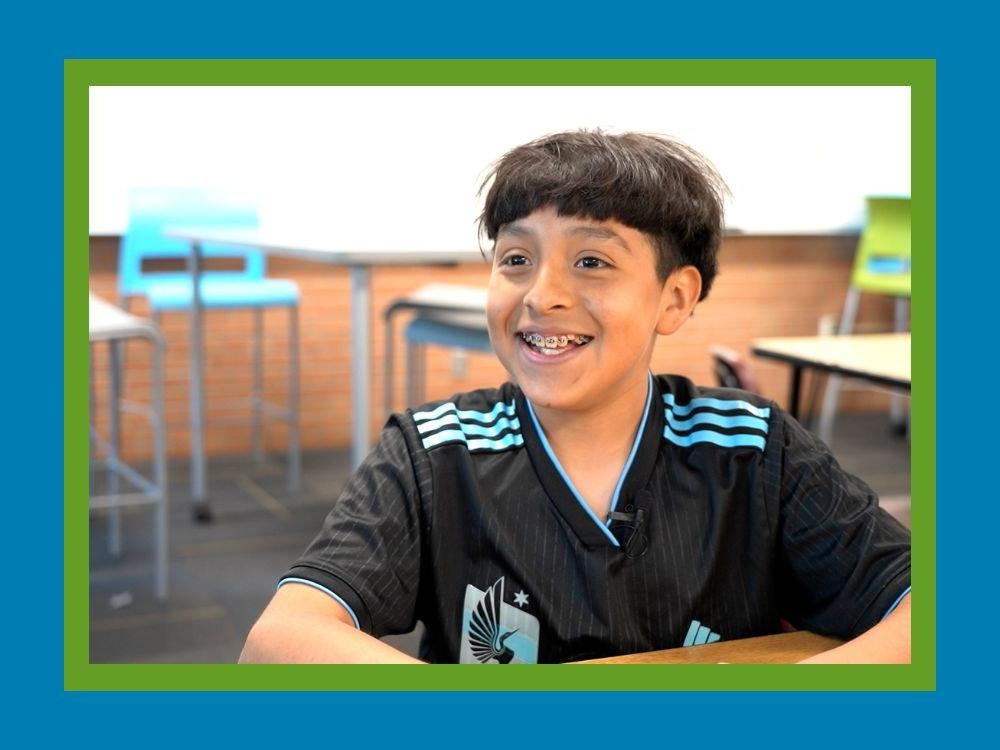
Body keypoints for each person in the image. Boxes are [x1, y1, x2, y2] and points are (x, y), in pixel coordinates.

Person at [239, 131, 911, 664]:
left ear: (674, 299)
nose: (542, 295)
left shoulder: (752, 446)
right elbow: (278, 641)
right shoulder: (433, 452)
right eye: (515, 259)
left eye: (592, 261)